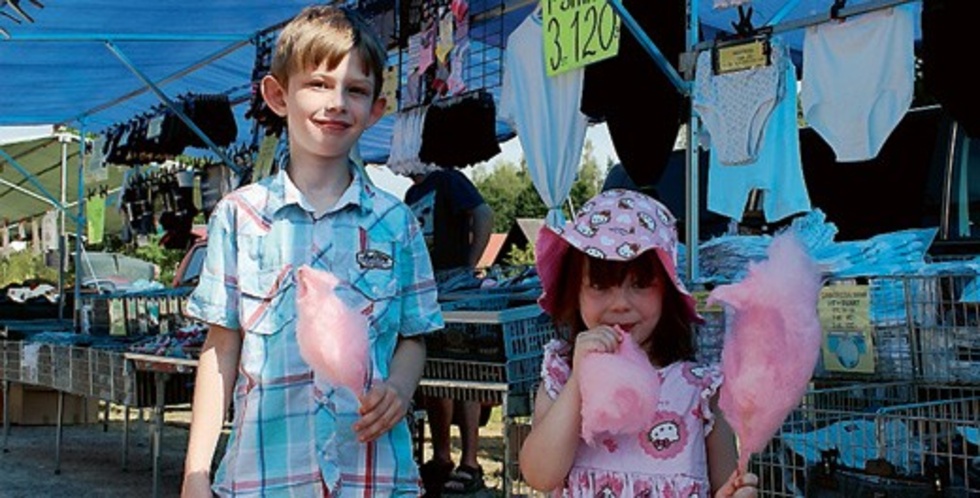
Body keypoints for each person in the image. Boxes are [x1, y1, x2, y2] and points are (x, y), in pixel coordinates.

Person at [180, 6, 443, 497]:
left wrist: (400, 390)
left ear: (376, 109)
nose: (337, 102)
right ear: (278, 96)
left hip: (374, 476)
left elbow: (415, 335)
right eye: (319, 84)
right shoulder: (240, 217)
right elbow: (221, 349)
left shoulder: (395, 223)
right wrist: (195, 473)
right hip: (264, 476)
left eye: (356, 90)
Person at [519, 188, 759, 497]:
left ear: (667, 292)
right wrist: (580, 379)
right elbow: (539, 475)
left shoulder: (700, 389)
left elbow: (724, 482)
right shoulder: (563, 374)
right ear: (575, 293)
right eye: (600, 286)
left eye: (641, 284)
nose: (620, 304)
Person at [403, 167, 493, 495]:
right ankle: (442, 457)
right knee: (435, 370)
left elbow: (484, 213)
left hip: (456, 285)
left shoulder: (450, 179)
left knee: (464, 368)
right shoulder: (412, 194)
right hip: (428, 288)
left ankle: (470, 461)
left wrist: (469, 265)